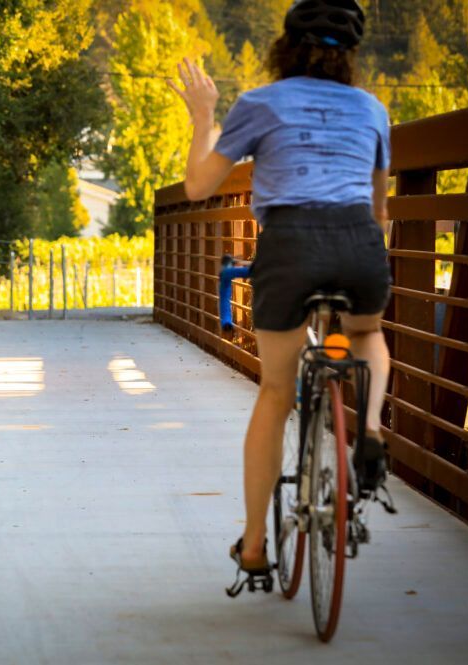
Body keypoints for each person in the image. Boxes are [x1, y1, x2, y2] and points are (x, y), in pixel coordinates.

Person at [166, 0, 391, 575]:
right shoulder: (372, 109)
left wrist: (202, 117)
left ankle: (255, 547)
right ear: (351, 60)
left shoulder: (260, 104)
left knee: (274, 393)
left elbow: (196, 186)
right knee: (367, 332)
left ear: (284, 49)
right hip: (357, 242)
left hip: (290, 246)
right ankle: (368, 430)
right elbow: (379, 209)